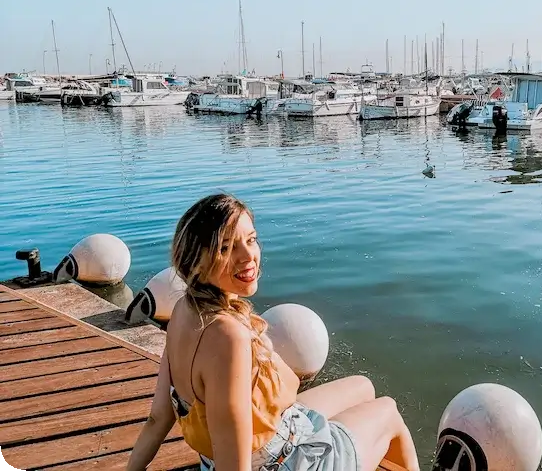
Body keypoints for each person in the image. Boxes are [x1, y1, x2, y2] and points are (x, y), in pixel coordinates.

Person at [127, 193, 420, 471]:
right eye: (226, 248)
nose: (247, 256)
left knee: (363, 387)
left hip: (279, 430)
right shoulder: (228, 337)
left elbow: (158, 417)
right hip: (283, 461)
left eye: (251, 240)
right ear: (197, 262)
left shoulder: (183, 310)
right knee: (389, 412)